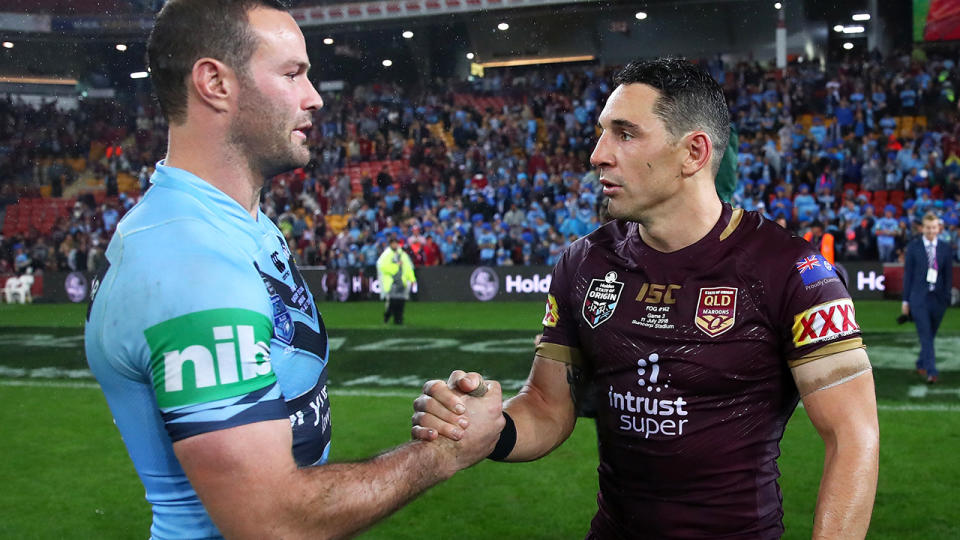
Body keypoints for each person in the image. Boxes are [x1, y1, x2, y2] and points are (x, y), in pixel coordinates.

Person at [84, 2, 503, 538]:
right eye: (292, 73)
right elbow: (272, 519)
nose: (315, 96)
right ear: (215, 83)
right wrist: (444, 453)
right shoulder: (191, 267)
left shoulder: (242, 224)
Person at [414, 58, 879, 538]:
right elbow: (549, 407)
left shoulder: (792, 272)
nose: (598, 154)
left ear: (693, 152)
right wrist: (491, 429)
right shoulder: (584, 263)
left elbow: (853, 436)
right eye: (601, 133)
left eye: (625, 133)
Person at [902, 212, 953, 384]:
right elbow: (908, 276)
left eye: (933, 227)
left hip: (938, 299)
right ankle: (932, 371)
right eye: (928, 228)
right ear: (922, 228)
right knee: (925, 335)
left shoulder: (945, 248)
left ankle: (920, 362)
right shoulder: (913, 247)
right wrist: (905, 301)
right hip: (919, 299)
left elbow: (948, 275)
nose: (931, 231)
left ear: (938, 228)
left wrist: (946, 297)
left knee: (930, 335)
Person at [377, 236, 416, 324]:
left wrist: (412, 279)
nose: (394, 245)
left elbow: (408, 267)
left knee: (401, 303)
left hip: (401, 283)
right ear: (390, 244)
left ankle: (398, 320)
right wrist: (396, 266)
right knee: (392, 303)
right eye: (393, 243)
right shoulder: (386, 255)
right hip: (392, 283)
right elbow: (382, 267)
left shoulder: (403, 254)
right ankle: (387, 318)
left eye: (396, 243)